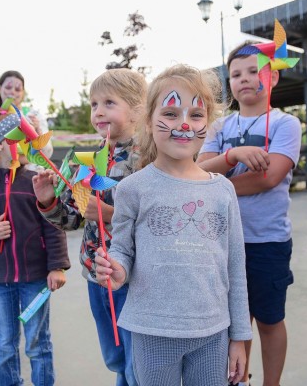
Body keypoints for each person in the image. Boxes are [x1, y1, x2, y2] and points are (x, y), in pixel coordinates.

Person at [93, 64, 251, 386]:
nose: (184, 124)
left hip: (213, 332)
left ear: (208, 121)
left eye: (196, 115)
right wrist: (116, 270)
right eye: (170, 112)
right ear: (149, 123)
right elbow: (122, 249)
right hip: (152, 331)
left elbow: (235, 267)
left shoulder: (223, 190)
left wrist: (240, 337)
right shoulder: (132, 189)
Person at [32, 68, 147, 386]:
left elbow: (158, 216)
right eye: (94, 104)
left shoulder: (150, 158)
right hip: (96, 272)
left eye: (109, 102)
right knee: (115, 357)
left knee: (138, 359)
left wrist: (109, 213)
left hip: (137, 274)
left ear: (138, 108)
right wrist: (48, 202)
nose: (98, 111)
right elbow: (71, 218)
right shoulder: (83, 159)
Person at [197, 41, 301, 386]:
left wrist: (219, 181)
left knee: (269, 320)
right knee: (232, 326)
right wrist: (231, 158)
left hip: (267, 240)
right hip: (221, 242)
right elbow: (200, 172)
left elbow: (270, 178)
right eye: (236, 74)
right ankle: (238, 380)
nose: (243, 79)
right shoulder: (219, 127)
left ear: (271, 77)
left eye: (253, 71)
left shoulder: (286, 124)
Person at [0, 112, 70, 386]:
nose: (22, 145)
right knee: (5, 344)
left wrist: (56, 266)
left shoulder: (36, 180)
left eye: (25, 139)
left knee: (37, 343)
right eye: (16, 139)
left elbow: (52, 223)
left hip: (35, 278)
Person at [0, 70, 54, 161]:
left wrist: (37, 131)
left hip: (31, 172)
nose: (12, 92)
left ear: (23, 93)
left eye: (17, 89)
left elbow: (47, 153)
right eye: (8, 87)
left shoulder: (33, 116)